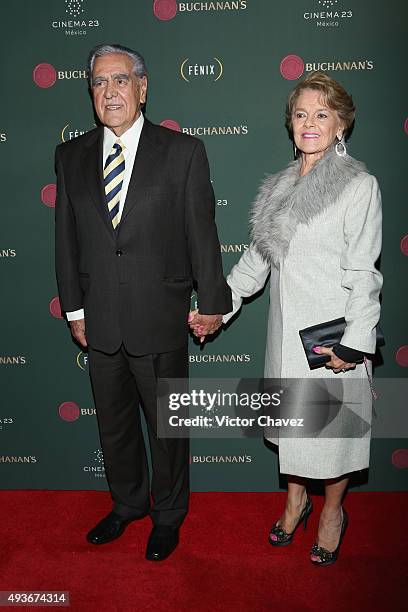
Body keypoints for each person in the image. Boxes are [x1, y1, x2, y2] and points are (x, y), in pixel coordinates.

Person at [189, 72, 382, 565]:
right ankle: (295, 499)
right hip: (286, 336)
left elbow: (364, 271)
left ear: (341, 124)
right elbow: (255, 264)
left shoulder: (359, 186)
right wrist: (217, 310)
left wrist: (355, 343)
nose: (310, 123)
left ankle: (333, 512)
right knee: (296, 428)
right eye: (301, 114)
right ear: (290, 124)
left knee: (335, 436)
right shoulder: (277, 188)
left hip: (332, 339)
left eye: (322, 114)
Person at [55, 43, 231, 561]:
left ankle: (169, 515)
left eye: (120, 80)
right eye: (99, 83)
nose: (109, 92)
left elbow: (203, 236)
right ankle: (128, 504)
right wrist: (74, 309)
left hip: (160, 317)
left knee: (167, 430)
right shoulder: (70, 156)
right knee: (114, 427)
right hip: (101, 321)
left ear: (143, 87)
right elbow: (65, 238)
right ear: (90, 93)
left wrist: (213, 301)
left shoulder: (183, 152)